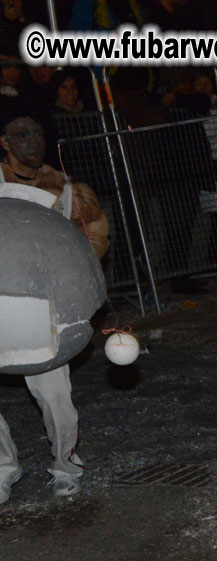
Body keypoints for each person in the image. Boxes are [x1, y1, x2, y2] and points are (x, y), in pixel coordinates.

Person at [0, 107, 110, 501]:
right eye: (21, 133)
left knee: (55, 396)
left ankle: (65, 464)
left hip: (44, 308)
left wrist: (81, 273)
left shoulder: (64, 187)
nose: (33, 140)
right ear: (4, 142)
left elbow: (94, 235)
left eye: (38, 132)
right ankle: (2, 469)